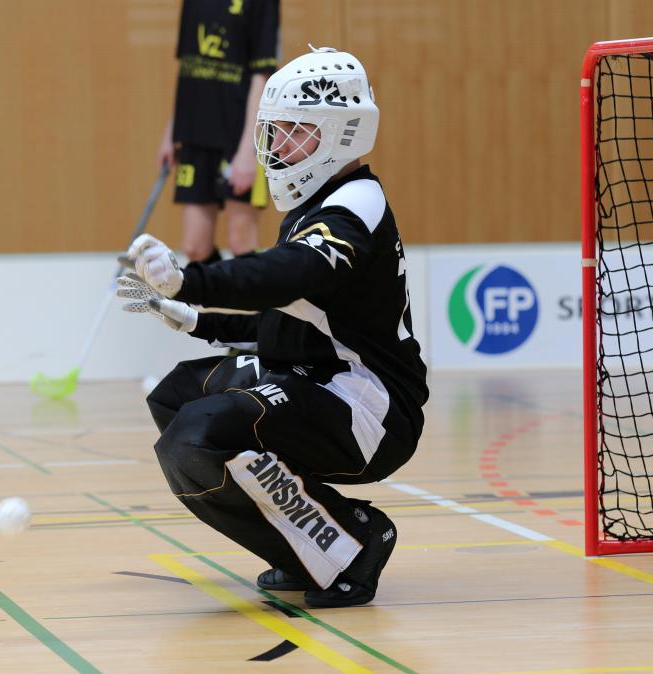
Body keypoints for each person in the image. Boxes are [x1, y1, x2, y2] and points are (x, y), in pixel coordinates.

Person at [119, 47, 428, 607]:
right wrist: (193, 317)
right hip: (320, 379)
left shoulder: (353, 208)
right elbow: (287, 323)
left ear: (339, 133)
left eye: (292, 132)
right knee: (178, 398)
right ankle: (306, 549)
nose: (277, 147)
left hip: (367, 407)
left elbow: (288, 275)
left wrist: (191, 280)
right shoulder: (320, 207)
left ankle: (353, 543)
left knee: (198, 436)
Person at [157, 0, 280, 263]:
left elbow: (263, 74)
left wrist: (250, 148)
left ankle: (251, 304)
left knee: (240, 240)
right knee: (194, 247)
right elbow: (189, 66)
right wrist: (171, 132)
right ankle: (216, 304)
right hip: (195, 131)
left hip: (241, 134)